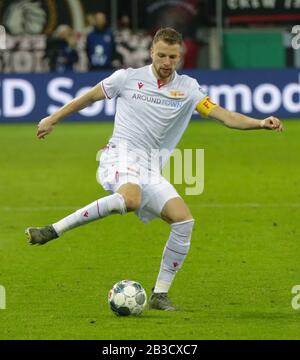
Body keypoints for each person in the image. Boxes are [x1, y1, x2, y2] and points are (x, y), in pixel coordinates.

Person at [26, 28, 283, 311]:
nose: (166, 62)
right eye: (161, 55)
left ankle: (160, 294)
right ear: (151, 52)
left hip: (149, 169)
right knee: (131, 198)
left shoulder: (188, 89)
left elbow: (226, 116)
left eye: (172, 56)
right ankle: (53, 230)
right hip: (119, 156)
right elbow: (87, 98)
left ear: (180, 56)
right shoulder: (127, 78)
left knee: (184, 221)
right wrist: (53, 118)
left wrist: (260, 123)